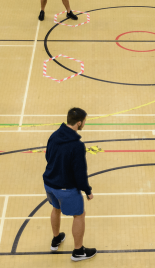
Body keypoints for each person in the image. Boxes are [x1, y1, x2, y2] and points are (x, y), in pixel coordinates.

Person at [43, 108, 97, 261]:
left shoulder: (54, 136)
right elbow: (80, 173)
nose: (84, 124)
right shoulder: (77, 146)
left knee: (56, 207)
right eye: (84, 122)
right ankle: (78, 252)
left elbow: (48, 157)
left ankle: (56, 239)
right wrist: (87, 191)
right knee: (79, 215)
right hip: (65, 188)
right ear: (79, 123)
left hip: (49, 182)